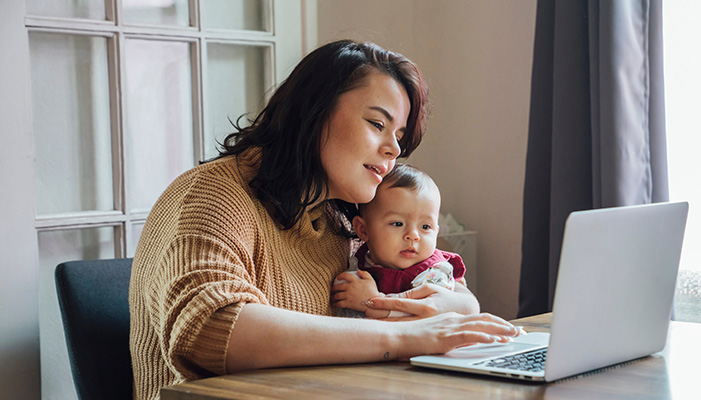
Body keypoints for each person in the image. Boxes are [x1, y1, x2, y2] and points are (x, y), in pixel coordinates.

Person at [129, 40, 520, 400]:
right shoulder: (212, 194)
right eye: (377, 124)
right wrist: (402, 336)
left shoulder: (337, 218)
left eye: (399, 134)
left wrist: (459, 309)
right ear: (314, 113)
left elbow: (449, 290)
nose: (394, 148)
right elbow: (212, 328)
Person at [332, 163, 466, 319]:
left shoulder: (433, 272)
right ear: (363, 230)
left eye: (425, 226)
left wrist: (371, 301)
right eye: (397, 224)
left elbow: (425, 314)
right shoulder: (361, 262)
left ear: (436, 232)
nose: (413, 235)